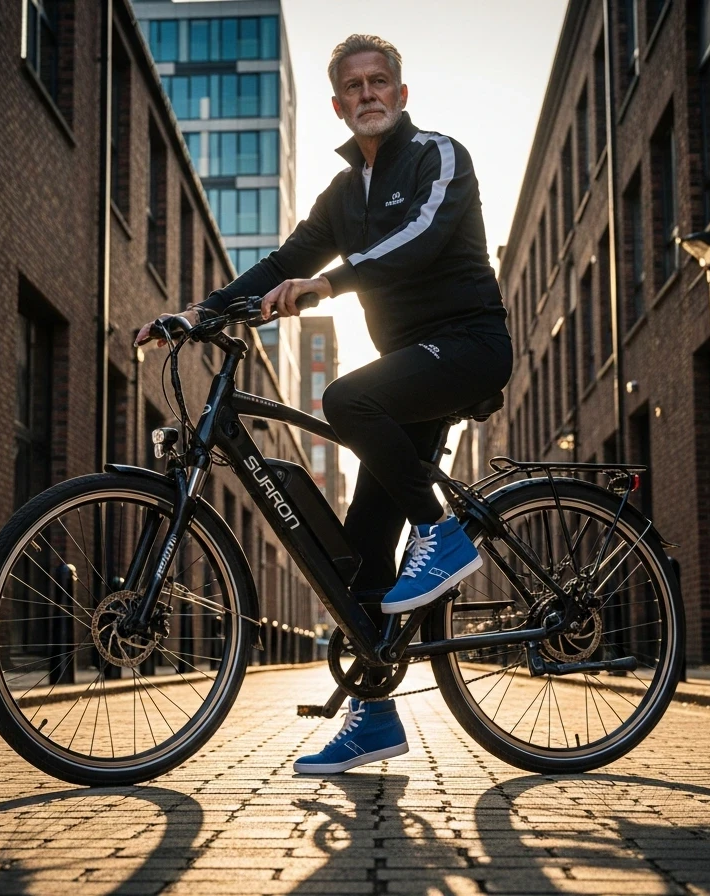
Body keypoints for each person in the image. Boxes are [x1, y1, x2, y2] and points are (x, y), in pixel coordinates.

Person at [136, 34, 513, 774]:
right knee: (361, 562)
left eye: (380, 82)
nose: (368, 94)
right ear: (339, 106)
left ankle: (442, 534)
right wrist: (197, 313)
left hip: (467, 344)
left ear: (400, 94)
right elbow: (286, 260)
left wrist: (330, 285)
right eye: (354, 87)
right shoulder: (343, 194)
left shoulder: (439, 155)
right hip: (406, 375)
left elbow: (423, 237)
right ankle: (375, 720)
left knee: (344, 397)